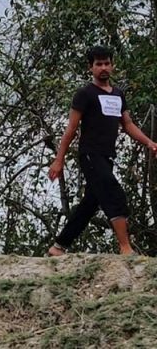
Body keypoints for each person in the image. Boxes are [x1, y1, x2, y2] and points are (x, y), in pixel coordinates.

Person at [47, 47, 157, 256]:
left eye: (107, 63)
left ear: (112, 65)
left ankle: (58, 247)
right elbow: (70, 129)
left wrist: (150, 143)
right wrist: (58, 160)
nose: (103, 68)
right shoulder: (85, 94)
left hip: (107, 156)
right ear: (91, 67)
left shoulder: (118, 94)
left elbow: (128, 124)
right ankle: (125, 248)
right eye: (98, 64)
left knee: (91, 203)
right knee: (114, 194)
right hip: (90, 154)